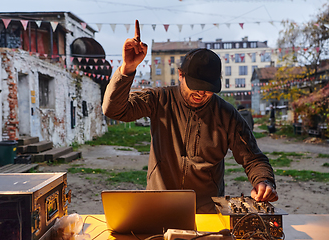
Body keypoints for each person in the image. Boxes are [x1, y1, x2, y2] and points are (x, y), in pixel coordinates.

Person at [102, 20, 278, 213]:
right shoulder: (159, 99)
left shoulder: (227, 115)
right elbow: (114, 110)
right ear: (180, 75)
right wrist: (127, 69)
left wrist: (263, 181)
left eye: (208, 89)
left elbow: (253, 158)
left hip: (208, 210)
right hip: (159, 205)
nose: (201, 93)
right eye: (195, 86)